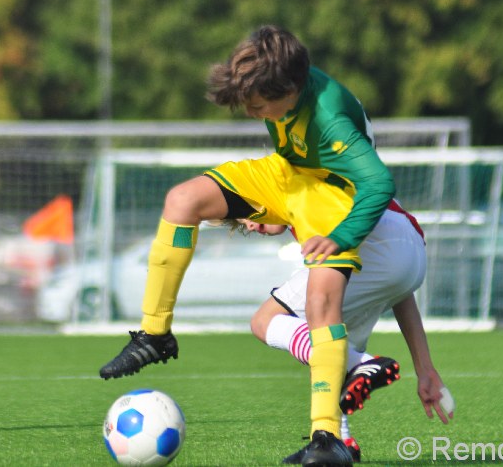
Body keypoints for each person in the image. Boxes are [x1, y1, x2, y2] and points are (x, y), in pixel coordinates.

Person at [100, 25, 397, 465]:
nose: (254, 113)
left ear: (291, 90)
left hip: (336, 197)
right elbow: (292, 163)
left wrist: (339, 236)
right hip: (287, 176)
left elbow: (378, 181)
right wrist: (277, 214)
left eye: (259, 105)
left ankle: (327, 438)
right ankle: (155, 334)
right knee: (182, 201)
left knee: (320, 302)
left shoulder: (330, 120)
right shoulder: (283, 96)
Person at [239, 201, 454, 463]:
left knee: (266, 321)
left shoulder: (296, 190)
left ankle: (361, 365)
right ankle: (340, 440)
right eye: (242, 224)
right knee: (327, 339)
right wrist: (425, 367)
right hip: (412, 256)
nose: (249, 224)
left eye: (247, 212)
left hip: (379, 242)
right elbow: (401, 288)